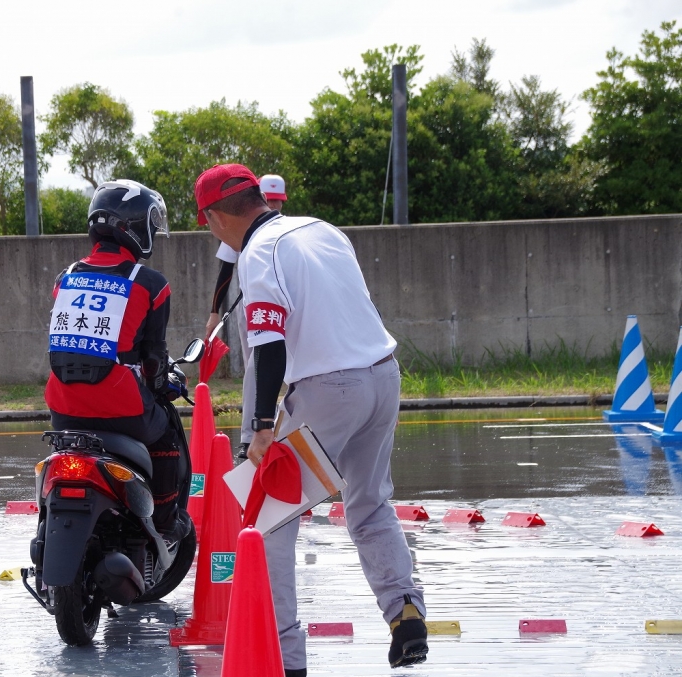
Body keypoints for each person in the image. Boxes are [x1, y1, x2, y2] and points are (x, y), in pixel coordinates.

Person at [193, 164, 428, 673]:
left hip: (329, 391)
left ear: (215, 218)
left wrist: (259, 429)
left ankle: (285, 656)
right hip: (384, 376)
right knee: (369, 504)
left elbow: (268, 345)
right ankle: (405, 612)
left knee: (266, 519)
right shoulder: (323, 229)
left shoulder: (258, 252)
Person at [45, 179, 191, 544]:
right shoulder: (151, 284)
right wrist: (164, 386)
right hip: (121, 408)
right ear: (135, 226)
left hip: (62, 408)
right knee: (167, 434)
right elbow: (153, 361)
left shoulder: (65, 278)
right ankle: (165, 522)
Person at [203, 174, 288, 459]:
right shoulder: (239, 230)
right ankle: (251, 434)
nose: (273, 204)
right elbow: (224, 273)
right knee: (257, 364)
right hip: (253, 304)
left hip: (284, 305)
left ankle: (270, 429)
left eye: (277, 200)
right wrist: (214, 312)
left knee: (279, 362)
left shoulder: (282, 230)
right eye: (269, 198)